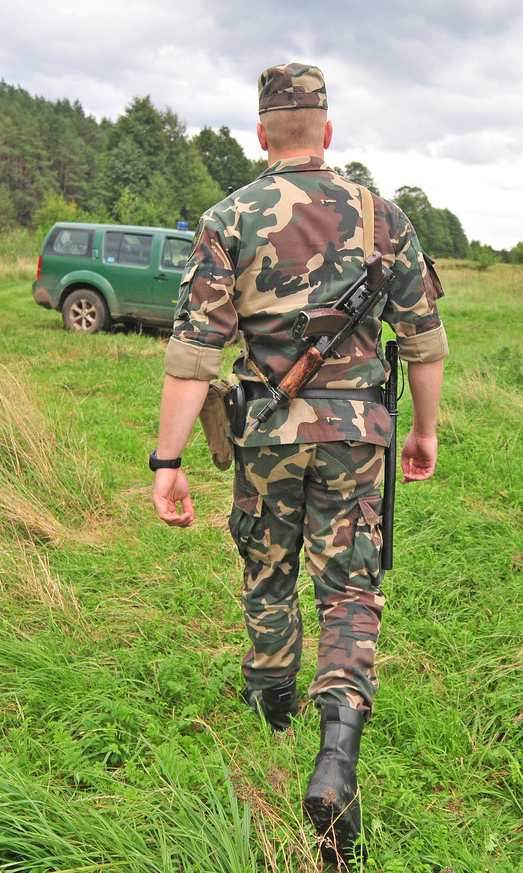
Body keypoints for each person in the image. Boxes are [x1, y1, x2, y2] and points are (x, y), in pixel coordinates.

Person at [149, 62, 448, 864]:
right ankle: (337, 752)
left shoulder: (226, 218)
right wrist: (423, 431)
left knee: (266, 558)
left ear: (260, 135)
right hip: (359, 435)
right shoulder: (386, 217)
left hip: (266, 430)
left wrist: (166, 459)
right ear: (326, 131)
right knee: (350, 584)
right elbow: (424, 340)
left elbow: (193, 354)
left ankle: (271, 697)